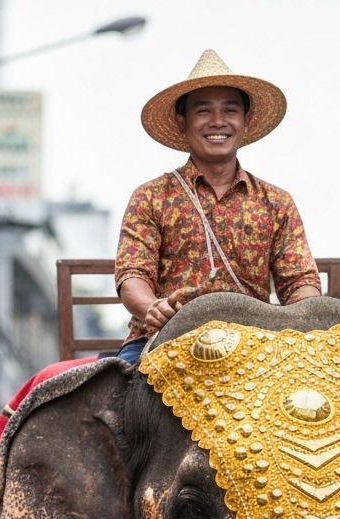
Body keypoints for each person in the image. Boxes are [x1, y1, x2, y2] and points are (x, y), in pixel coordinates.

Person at [114, 49, 322, 362]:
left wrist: (303, 315)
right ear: (183, 122)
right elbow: (132, 276)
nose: (218, 122)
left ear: (246, 121)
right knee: (115, 403)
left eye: (230, 110)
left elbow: (300, 281)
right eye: (203, 111)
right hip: (162, 339)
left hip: (255, 345)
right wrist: (152, 308)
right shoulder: (151, 196)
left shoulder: (277, 203)